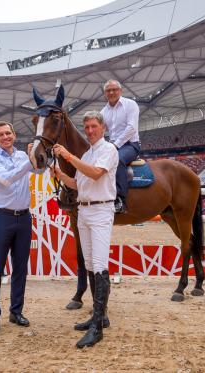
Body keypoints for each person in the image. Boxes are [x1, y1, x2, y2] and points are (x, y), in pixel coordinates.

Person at [52, 110, 118, 348]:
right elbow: (77, 183)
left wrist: (68, 157)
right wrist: (59, 173)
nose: (89, 131)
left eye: (93, 126)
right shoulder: (88, 153)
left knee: (100, 266)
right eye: (87, 127)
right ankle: (97, 316)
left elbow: (96, 173)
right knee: (90, 265)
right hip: (85, 209)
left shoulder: (108, 150)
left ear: (102, 128)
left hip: (101, 210)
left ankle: (98, 328)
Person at [0, 121, 40, 334]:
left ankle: (16, 312)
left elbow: (41, 172)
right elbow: (6, 179)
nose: (5, 137)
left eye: (8, 133)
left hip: (23, 218)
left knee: (20, 269)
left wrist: (38, 154)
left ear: (14, 135)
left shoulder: (23, 156)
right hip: (1, 218)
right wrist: (29, 161)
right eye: (1, 134)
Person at [100, 79, 140, 214]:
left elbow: (131, 128)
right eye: (108, 90)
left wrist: (115, 145)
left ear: (120, 91)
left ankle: (121, 200)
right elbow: (100, 131)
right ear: (105, 93)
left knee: (118, 159)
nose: (111, 92)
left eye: (114, 89)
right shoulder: (103, 112)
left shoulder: (130, 105)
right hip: (112, 145)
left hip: (130, 144)